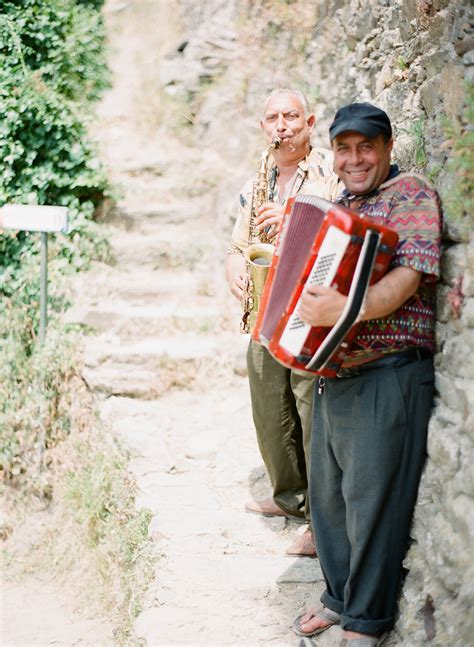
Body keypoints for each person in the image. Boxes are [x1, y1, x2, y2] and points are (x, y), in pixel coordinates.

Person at [293, 102, 442, 645]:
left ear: (387, 147)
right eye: (345, 148)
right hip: (336, 373)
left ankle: (366, 621)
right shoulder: (340, 205)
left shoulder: (413, 196)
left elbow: (407, 279)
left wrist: (344, 310)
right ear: (333, 153)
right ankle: (339, 598)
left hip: (390, 373)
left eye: (366, 147)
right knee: (330, 500)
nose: (354, 158)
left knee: (375, 504)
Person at [225, 88, 340, 556]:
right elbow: (239, 242)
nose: (282, 126)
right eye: (272, 118)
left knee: (310, 412)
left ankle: (320, 520)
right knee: (269, 408)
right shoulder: (259, 177)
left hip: (309, 306)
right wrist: (233, 263)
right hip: (266, 305)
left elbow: (347, 223)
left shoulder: (331, 169)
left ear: (310, 121)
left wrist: (294, 217)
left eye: (291, 116)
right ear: (262, 126)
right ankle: (288, 497)